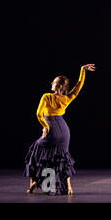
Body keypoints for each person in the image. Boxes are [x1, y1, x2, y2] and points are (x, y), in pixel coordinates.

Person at [24, 64, 96, 195]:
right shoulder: (68, 97)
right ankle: (68, 187)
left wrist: (45, 127)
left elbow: (38, 115)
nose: (52, 83)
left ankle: (33, 184)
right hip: (64, 131)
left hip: (52, 131)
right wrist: (82, 71)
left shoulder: (46, 97)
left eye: (54, 82)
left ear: (59, 86)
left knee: (35, 153)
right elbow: (78, 86)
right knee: (63, 158)